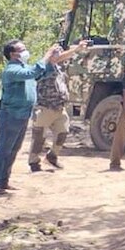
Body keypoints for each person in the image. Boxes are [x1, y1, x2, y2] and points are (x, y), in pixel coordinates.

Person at [0, 39, 86, 195]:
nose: (25, 51)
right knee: (4, 149)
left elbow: (45, 69)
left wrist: (57, 57)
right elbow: (33, 72)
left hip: (22, 114)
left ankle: (3, 182)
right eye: (22, 49)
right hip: (11, 114)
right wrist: (46, 55)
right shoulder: (11, 70)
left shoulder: (25, 67)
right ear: (12, 54)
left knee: (13, 149)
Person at [27, 38, 90, 172]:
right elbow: (57, 58)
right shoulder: (45, 66)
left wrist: (77, 49)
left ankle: (52, 156)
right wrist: (74, 49)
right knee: (39, 138)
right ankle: (34, 162)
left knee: (62, 133)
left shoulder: (56, 66)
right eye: (56, 53)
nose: (60, 55)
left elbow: (62, 57)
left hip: (59, 108)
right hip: (45, 107)